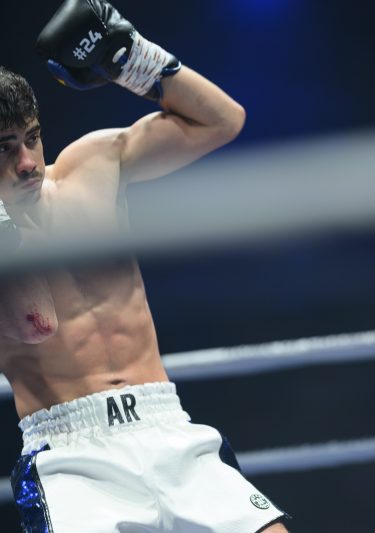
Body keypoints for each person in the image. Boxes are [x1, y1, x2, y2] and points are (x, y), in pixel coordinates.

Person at [0, 0, 287, 531]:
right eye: (5, 148)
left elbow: (224, 120)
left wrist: (130, 58)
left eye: (32, 138)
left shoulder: (92, 166)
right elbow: (36, 322)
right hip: (71, 457)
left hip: (166, 422)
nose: (26, 163)